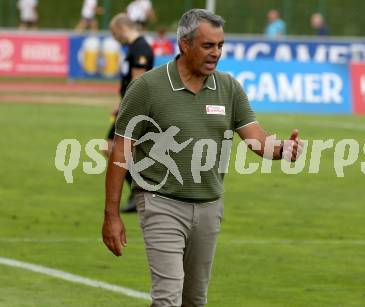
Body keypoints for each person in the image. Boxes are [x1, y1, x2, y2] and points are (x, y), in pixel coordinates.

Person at [102, 9, 303, 306]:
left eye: (220, 46)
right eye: (208, 46)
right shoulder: (147, 87)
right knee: (167, 298)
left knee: (194, 300)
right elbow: (121, 151)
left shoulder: (229, 87)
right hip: (160, 203)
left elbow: (256, 139)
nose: (216, 53)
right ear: (185, 45)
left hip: (210, 207)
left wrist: (281, 149)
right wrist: (112, 215)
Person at [104, 13, 155, 213]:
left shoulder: (141, 48)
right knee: (114, 149)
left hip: (134, 108)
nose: (113, 36)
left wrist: (125, 106)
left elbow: (137, 84)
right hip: (127, 106)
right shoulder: (133, 48)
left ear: (120, 28)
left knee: (113, 148)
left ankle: (141, 189)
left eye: (112, 32)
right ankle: (139, 190)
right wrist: (119, 104)